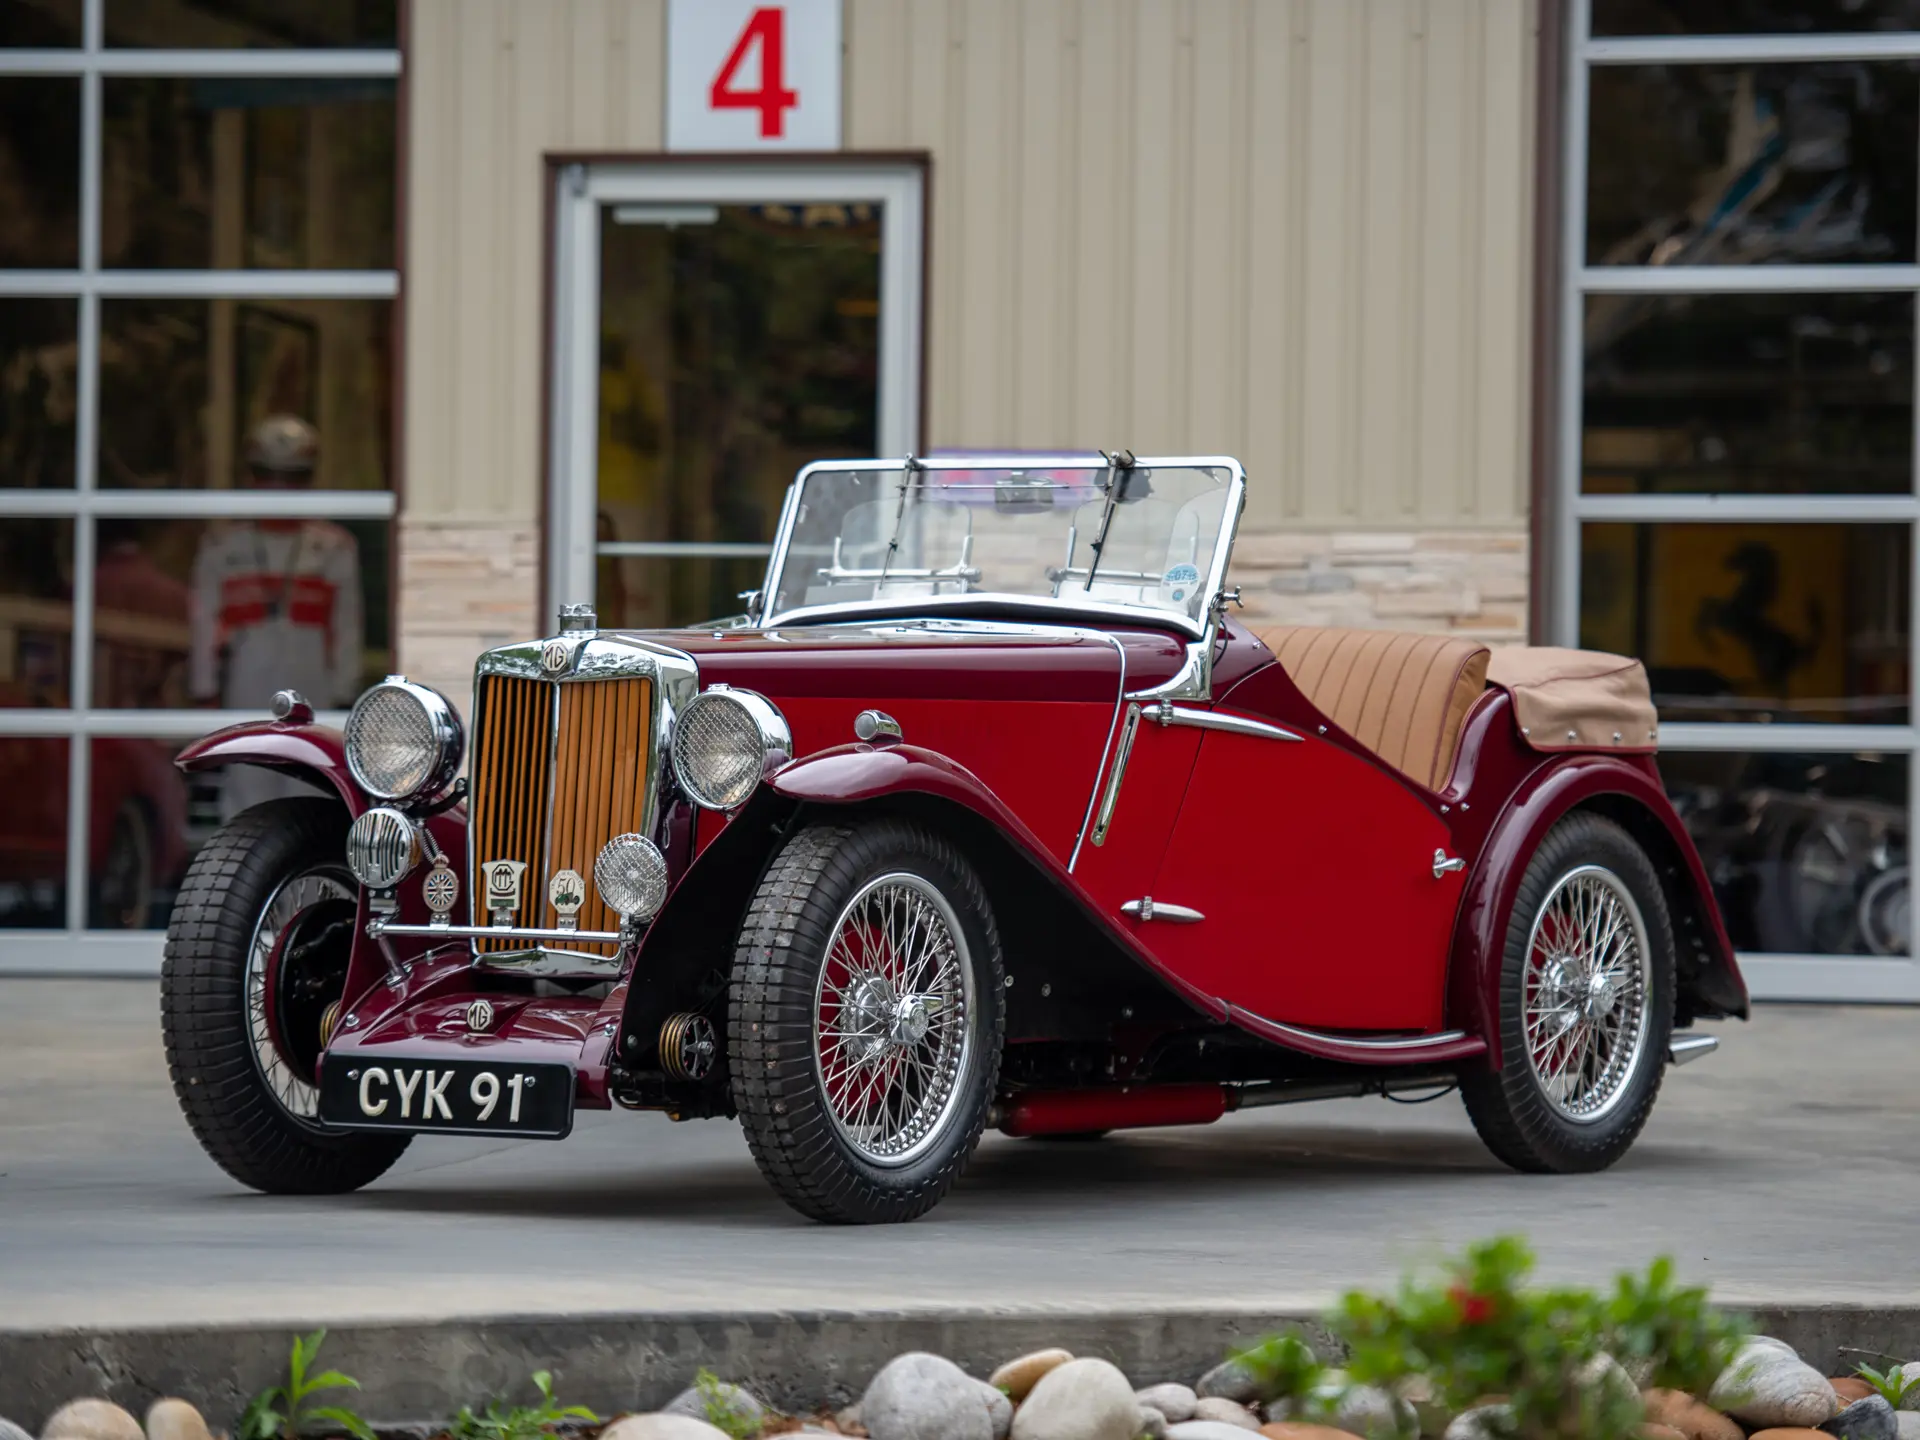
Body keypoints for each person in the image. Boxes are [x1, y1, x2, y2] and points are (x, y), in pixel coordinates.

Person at [189, 415, 363, 817]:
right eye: (268, 474)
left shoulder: (334, 548)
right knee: (246, 779)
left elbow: (347, 626)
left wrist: (344, 693)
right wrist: (204, 688)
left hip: (313, 683)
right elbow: (203, 625)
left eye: (294, 477)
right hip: (245, 683)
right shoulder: (223, 547)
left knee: (314, 783)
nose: (280, 488)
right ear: (252, 477)